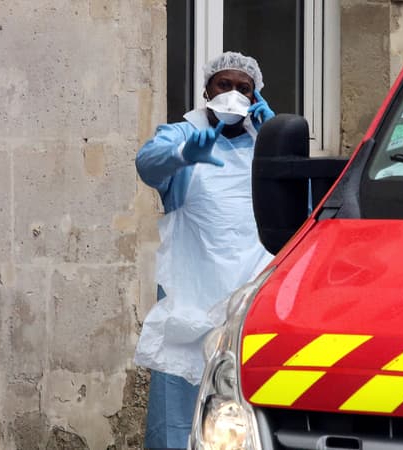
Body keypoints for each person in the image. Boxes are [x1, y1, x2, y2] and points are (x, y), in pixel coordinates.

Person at [133, 51, 275, 450]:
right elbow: (147, 164)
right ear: (207, 89)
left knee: (243, 416)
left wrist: (278, 145)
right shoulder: (183, 135)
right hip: (191, 301)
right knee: (178, 418)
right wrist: (183, 155)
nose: (232, 94)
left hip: (247, 304)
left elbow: (305, 205)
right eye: (223, 85)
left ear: (256, 98)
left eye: (243, 89)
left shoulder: (263, 144)